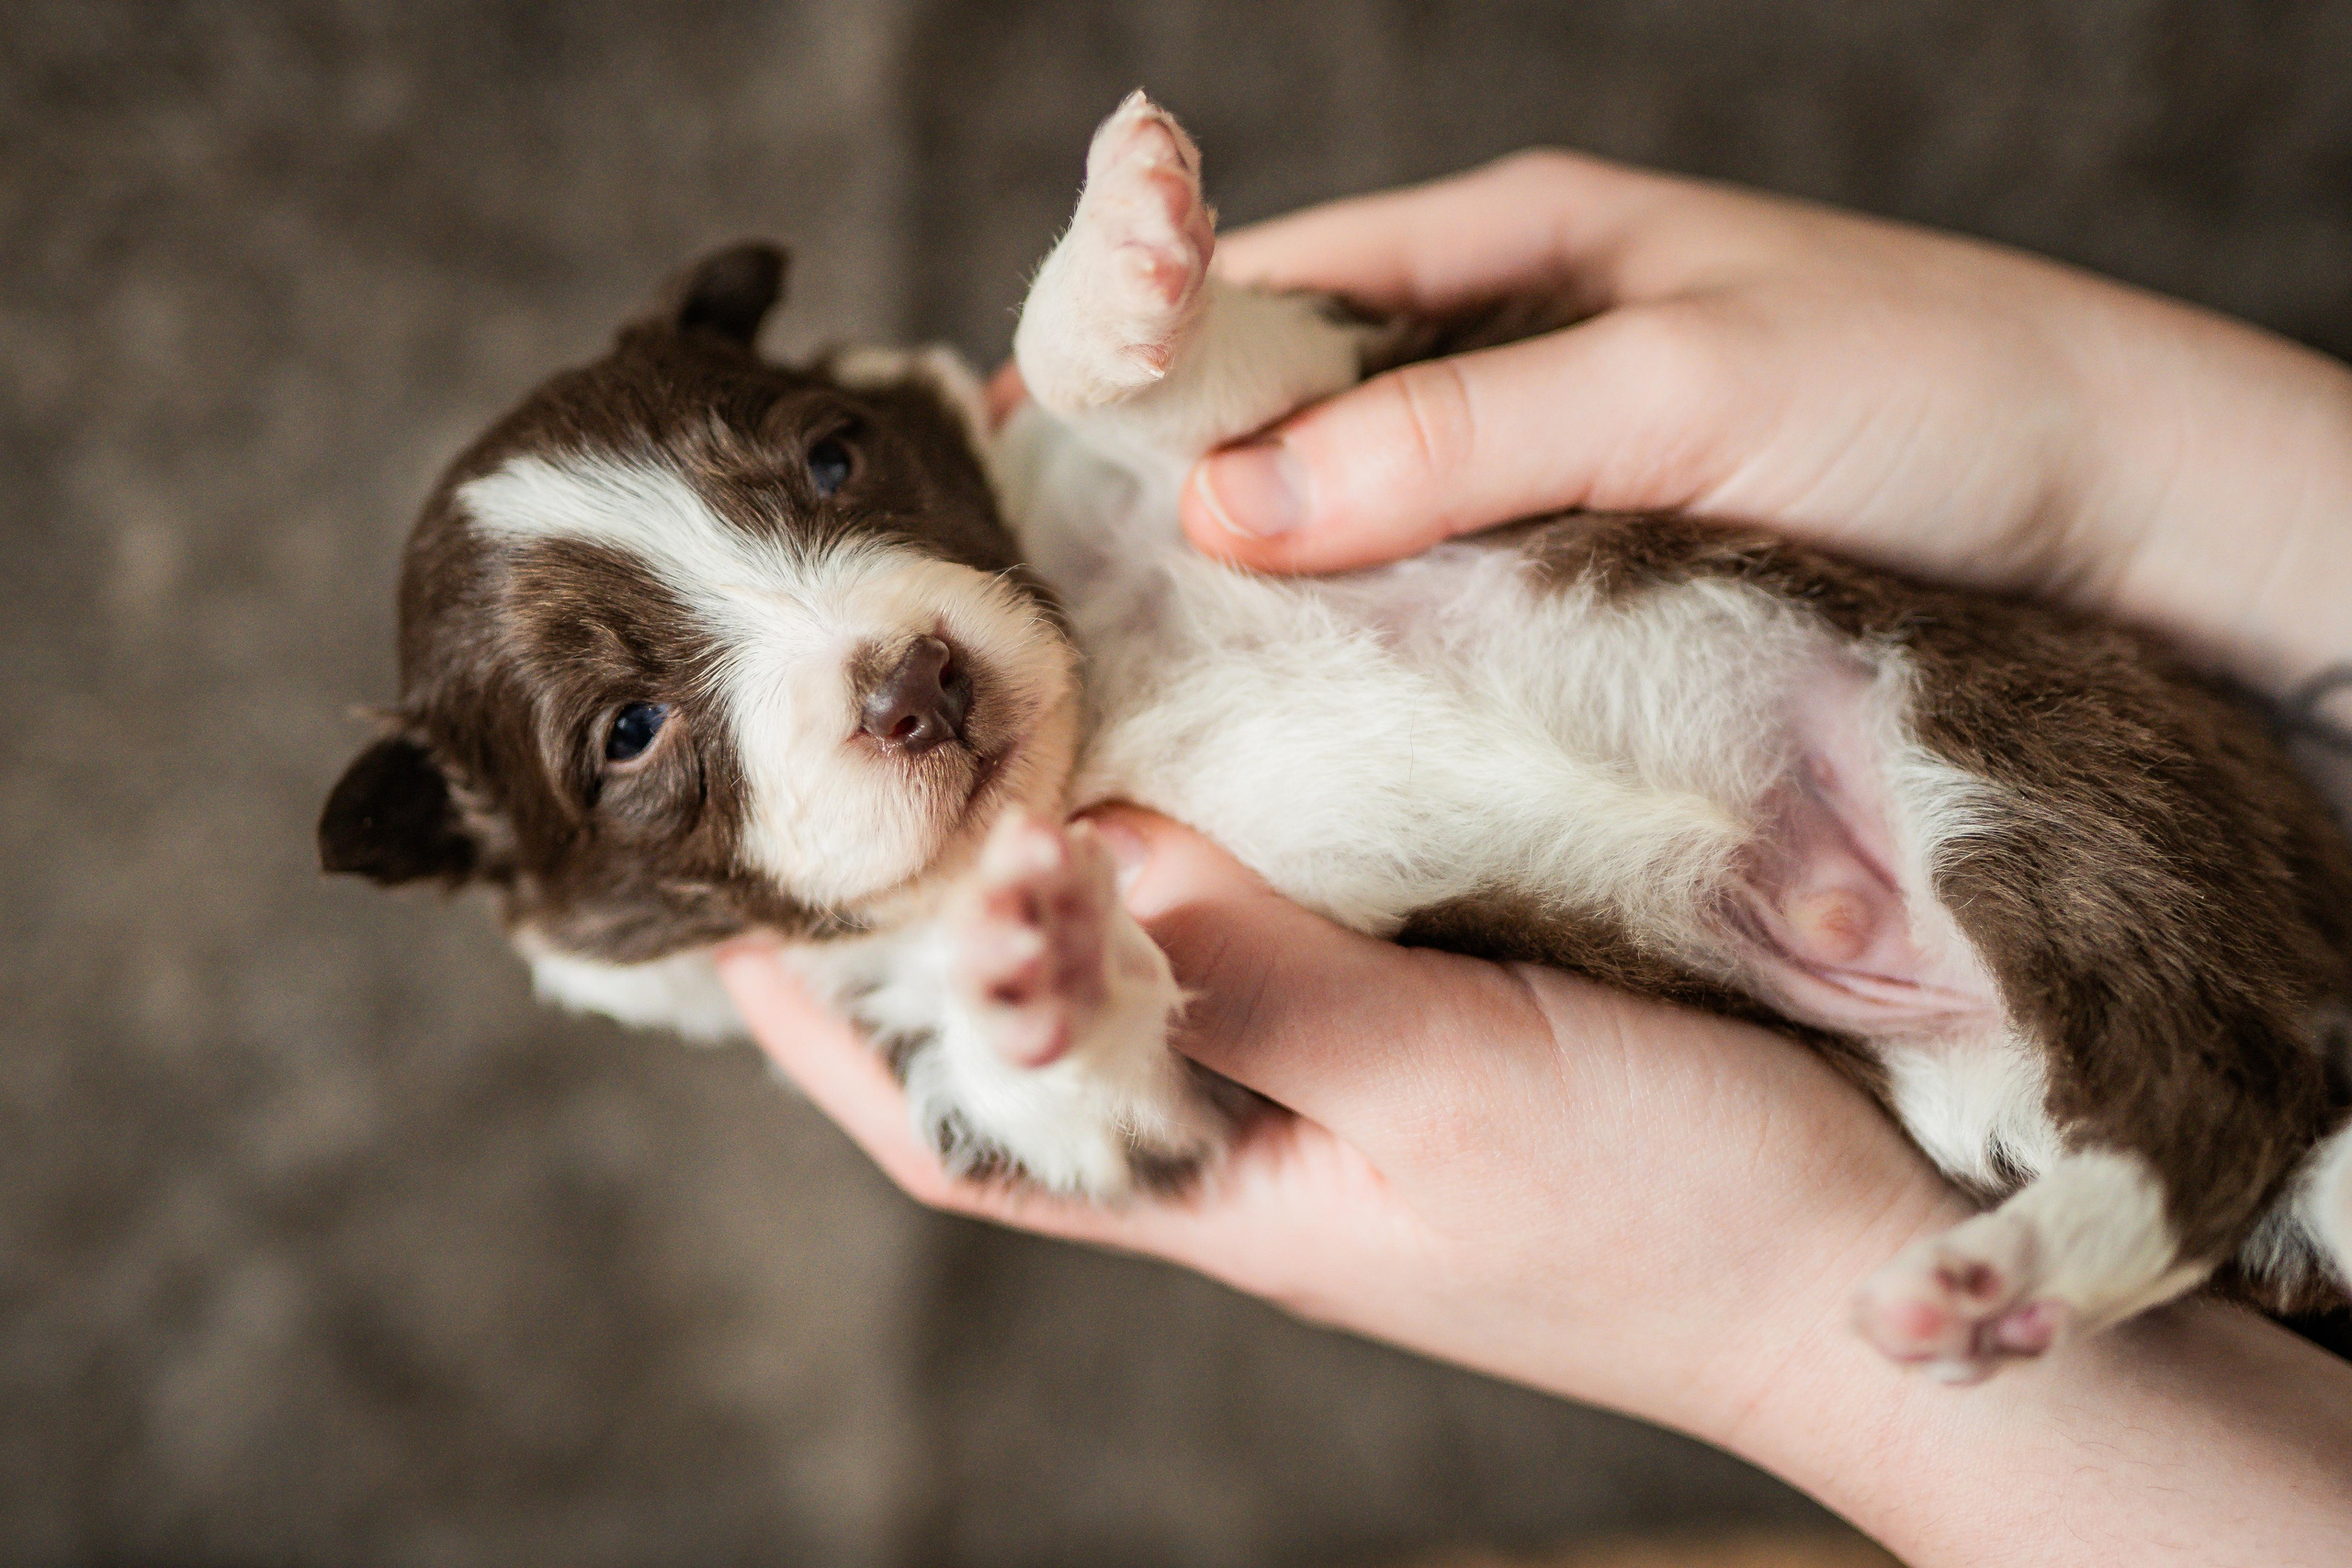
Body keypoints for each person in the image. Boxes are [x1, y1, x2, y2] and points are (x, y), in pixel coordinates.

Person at [717, 151, 2352, 1565]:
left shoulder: (1046, 479)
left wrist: (1127, 343)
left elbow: (1272, 396)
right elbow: (1113, 1111)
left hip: (1907, 723)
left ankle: (2213, 1192)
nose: (874, 654)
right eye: (637, 731)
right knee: (2001, 1093)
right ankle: (2184, 1210)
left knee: (2106, 889)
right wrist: (1050, 1032)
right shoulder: (908, 944)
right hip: (1858, 1016)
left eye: (828, 471)